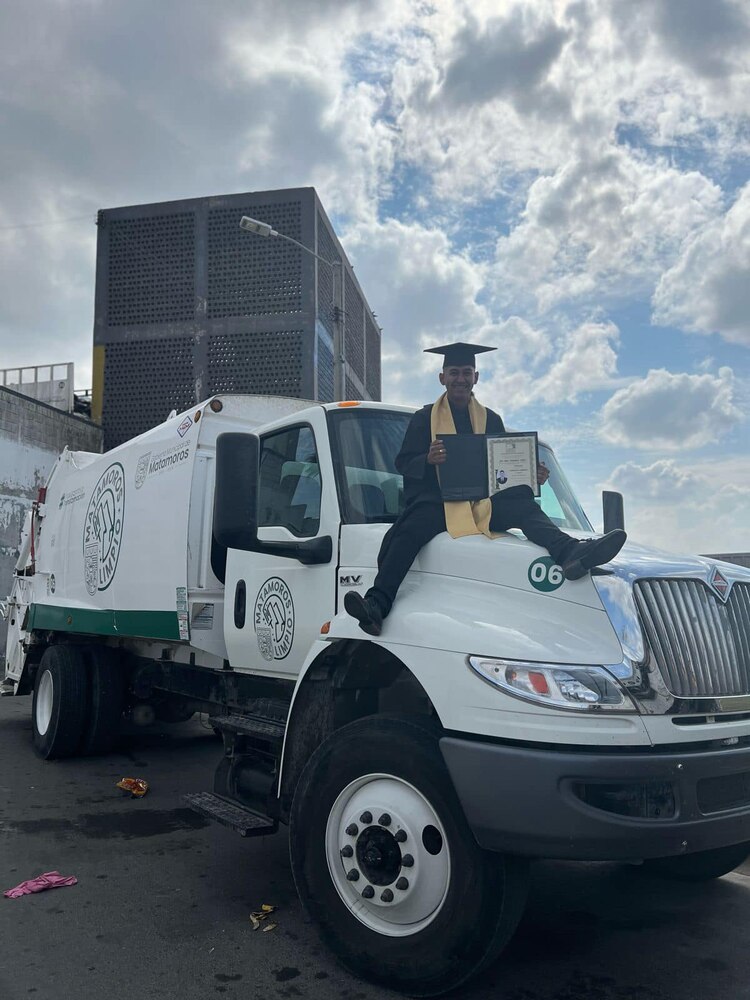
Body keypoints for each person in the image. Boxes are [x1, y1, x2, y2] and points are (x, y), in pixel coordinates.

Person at [344, 341, 626, 636]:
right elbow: (403, 463)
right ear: (442, 378)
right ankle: (376, 606)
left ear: (476, 377)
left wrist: (532, 474)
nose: (461, 379)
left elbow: (504, 467)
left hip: (484, 504)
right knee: (407, 530)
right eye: (454, 372)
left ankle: (570, 552)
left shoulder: (491, 419)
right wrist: (427, 459)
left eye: (467, 372)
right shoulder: (423, 419)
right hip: (439, 504)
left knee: (523, 504)